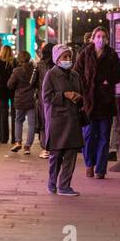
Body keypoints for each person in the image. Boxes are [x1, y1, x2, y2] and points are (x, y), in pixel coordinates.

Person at [74, 27, 120, 178]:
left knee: (104, 136)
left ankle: (101, 169)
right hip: (88, 101)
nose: (101, 39)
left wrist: (108, 81)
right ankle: (89, 164)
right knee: (89, 135)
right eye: (98, 36)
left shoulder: (111, 54)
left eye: (103, 36)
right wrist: (84, 86)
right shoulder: (86, 53)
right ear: (93, 38)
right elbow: (77, 72)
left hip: (105, 101)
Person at [42, 44, 85, 196]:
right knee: (57, 154)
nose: (68, 59)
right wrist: (64, 95)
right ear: (57, 59)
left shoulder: (75, 75)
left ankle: (64, 186)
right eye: (64, 57)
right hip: (57, 120)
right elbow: (46, 97)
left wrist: (79, 97)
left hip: (72, 119)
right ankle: (52, 183)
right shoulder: (51, 75)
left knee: (71, 153)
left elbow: (81, 93)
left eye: (69, 56)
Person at [8, 50, 38, 154]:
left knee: (18, 121)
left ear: (19, 59)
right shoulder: (35, 70)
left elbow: (10, 85)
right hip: (31, 100)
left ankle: (18, 142)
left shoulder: (16, 71)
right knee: (31, 124)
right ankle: (28, 147)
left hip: (20, 99)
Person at [32, 41, 55, 159]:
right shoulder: (57, 64)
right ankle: (55, 148)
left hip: (42, 98)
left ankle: (46, 148)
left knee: (43, 123)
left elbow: (32, 82)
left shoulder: (39, 65)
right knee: (54, 122)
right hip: (56, 98)